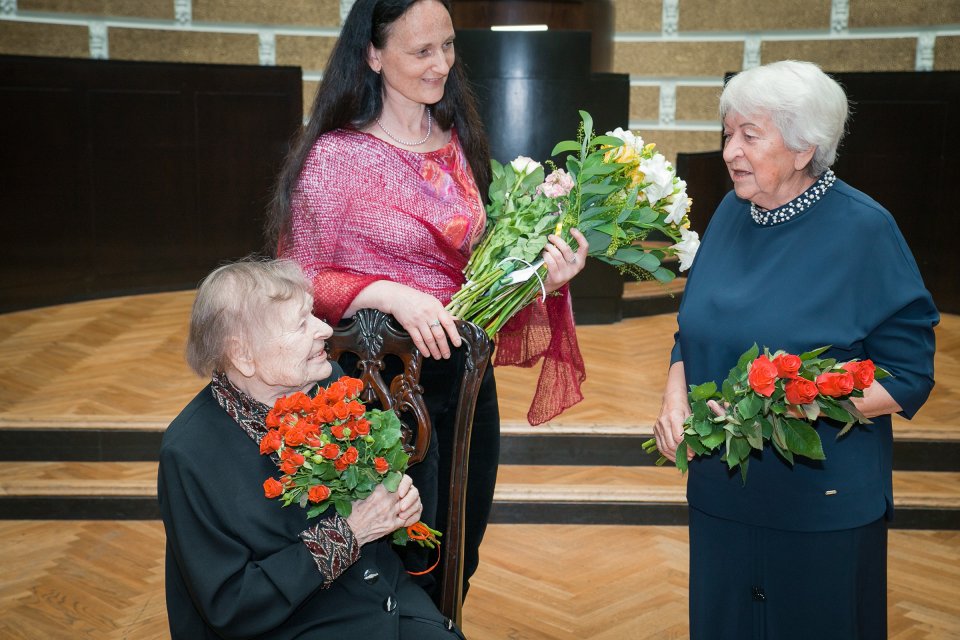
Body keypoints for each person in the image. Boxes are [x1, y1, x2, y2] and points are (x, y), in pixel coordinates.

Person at [266, 0, 589, 597]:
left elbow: (480, 277)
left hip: (465, 379)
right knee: (396, 562)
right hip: (380, 389)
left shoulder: (457, 142)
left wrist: (545, 277)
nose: (441, 64)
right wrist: (386, 293)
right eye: (420, 50)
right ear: (372, 54)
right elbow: (296, 277)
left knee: (458, 555)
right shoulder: (336, 158)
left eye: (447, 45)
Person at [652, 60, 938, 639]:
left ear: (805, 148)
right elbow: (694, 327)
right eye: (728, 133)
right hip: (722, 491)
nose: (731, 151)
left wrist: (792, 407)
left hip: (819, 501)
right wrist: (673, 393)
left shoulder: (865, 231)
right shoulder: (733, 211)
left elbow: (908, 372)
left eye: (750, 136)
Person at [158, 259, 464, 639]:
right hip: (282, 625)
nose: (325, 330)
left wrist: (396, 501)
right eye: (302, 323)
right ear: (242, 356)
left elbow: (369, 493)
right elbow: (230, 603)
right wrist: (349, 534)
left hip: (372, 593)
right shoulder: (190, 452)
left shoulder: (327, 383)